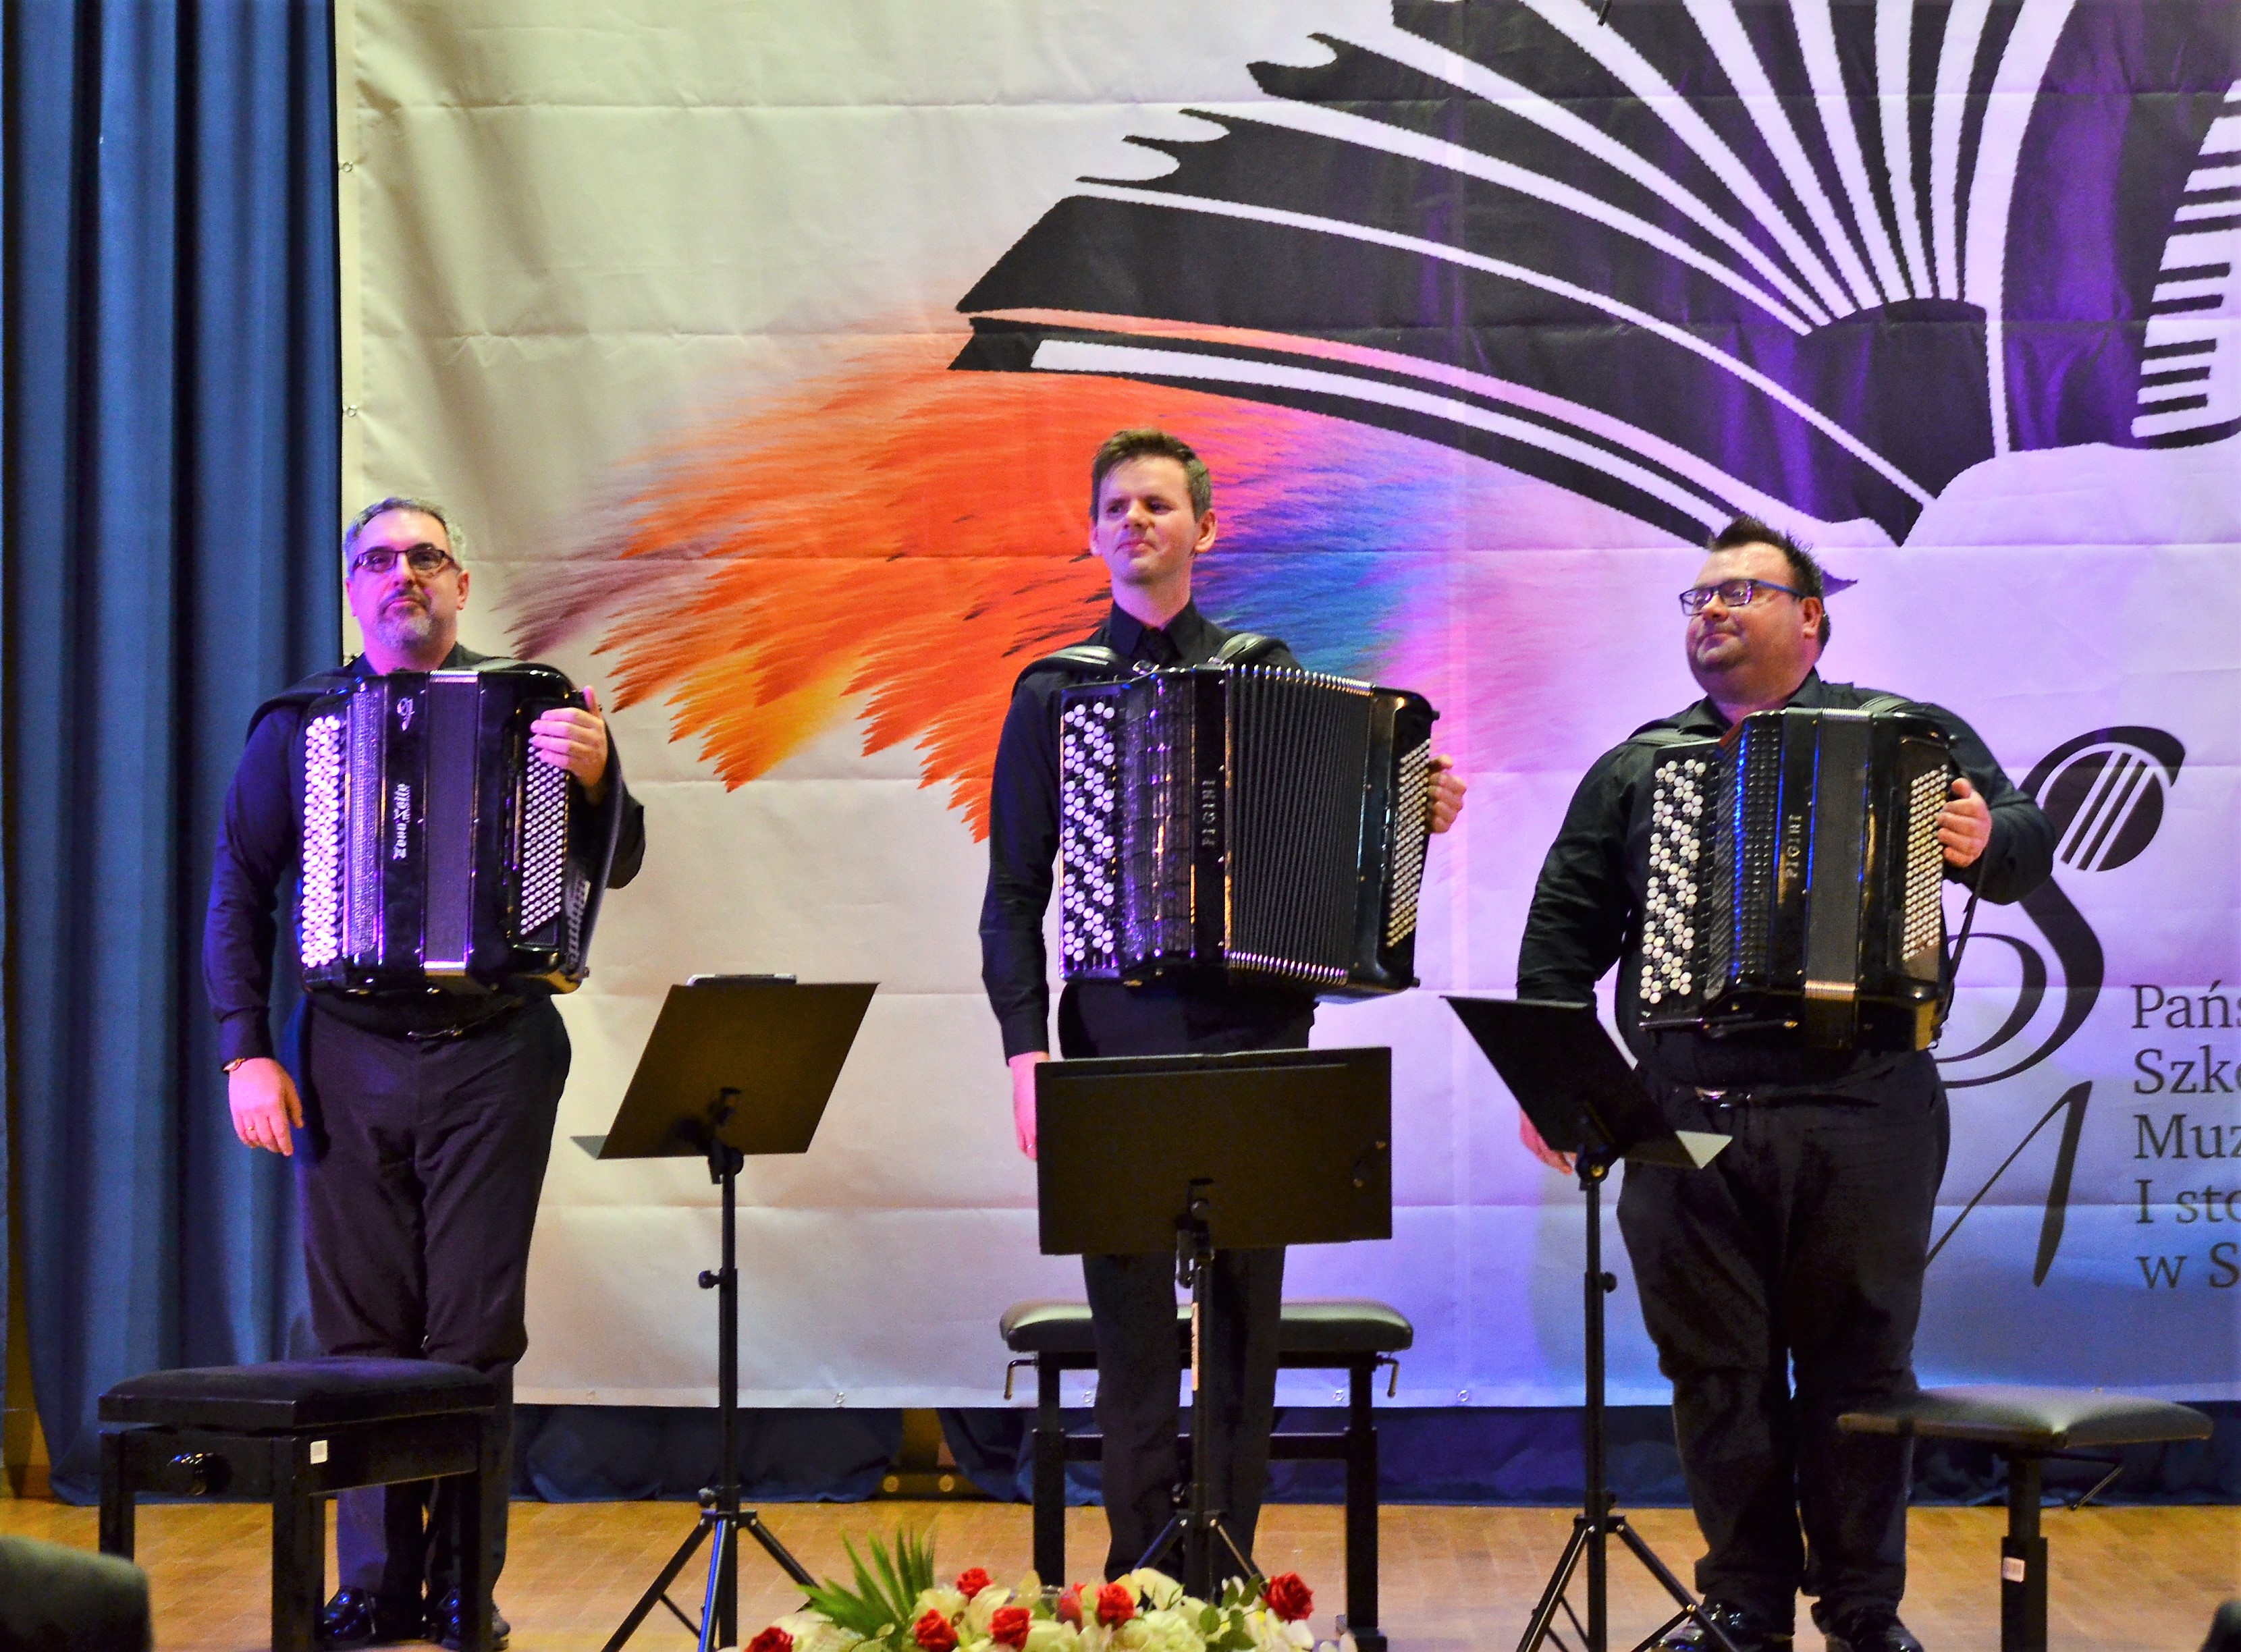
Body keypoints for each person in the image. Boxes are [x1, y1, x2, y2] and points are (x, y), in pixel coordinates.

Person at [1514, 518, 2054, 1652]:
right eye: (1699, 596)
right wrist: (1554, 1083)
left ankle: (1865, 1613)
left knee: (1862, 1364)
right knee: (1718, 1373)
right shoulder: (1646, 766)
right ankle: (1745, 1605)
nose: (1711, 610)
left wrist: (1980, 837)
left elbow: (2020, 837)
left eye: (1743, 592)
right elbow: (1563, 933)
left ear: (1811, 616)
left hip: (1864, 1107)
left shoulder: (1907, 736)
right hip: (1689, 1115)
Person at [979, 429, 1466, 1581]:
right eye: (1115, 507)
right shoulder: (1056, 693)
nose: (1135, 521)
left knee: (1245, 1327)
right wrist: (1021, 1050)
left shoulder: (1268, 668)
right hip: (1114, 1037)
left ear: (1206, 527)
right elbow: (1013, 894)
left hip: (1256, 1031)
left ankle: (1227, 1583)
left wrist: (1412, 814)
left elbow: (1344, 850)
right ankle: (1141, 1585)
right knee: (1132, 1333)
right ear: (1092, 533)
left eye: (1157, 504)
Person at [204, 497, 646, 1649]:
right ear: (351, 589)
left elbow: (621, 861)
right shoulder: (298, 726)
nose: (405, 576)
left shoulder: (541, 707)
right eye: (379, 561)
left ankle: (463, 1589)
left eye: (427, 559)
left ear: (461, 583)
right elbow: (240, 895)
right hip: (342, 1053)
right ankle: (376, 1583)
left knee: (472, 1335)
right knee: (360, 1339)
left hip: (494, 1049)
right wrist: (245, 1048)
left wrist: (601, 782)